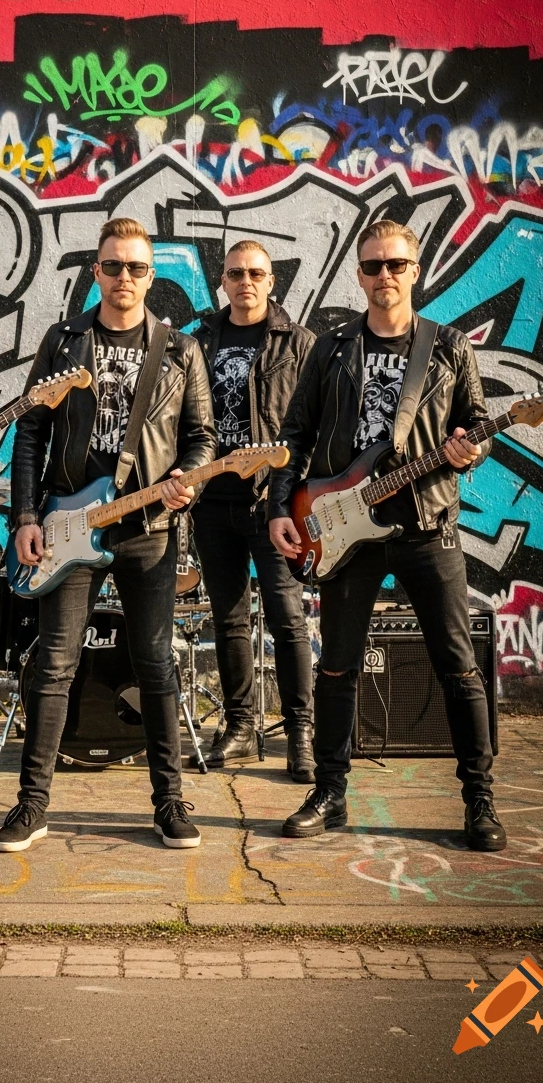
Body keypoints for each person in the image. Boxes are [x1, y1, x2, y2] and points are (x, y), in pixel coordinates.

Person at [268, 219, 506, 852]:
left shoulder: (448, 347)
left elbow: (477, 425)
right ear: (359, 273)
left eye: (395, 264)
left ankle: (479, 802)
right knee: (338, 667)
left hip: (427, 525)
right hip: (344, 528)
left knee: (458, 669)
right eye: (372, 266)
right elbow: (296, 431)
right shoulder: (333, 347)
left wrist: (466, 454)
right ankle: (330, 791)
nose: (384, 277)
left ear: (416, 267)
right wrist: (280, 508)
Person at [0, 217, 217, 852]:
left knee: (156, 665)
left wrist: (191, 478)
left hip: (149, 526)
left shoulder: (180, 349)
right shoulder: (62, 340)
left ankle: (168, 803)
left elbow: (201, 436)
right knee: (55, 664)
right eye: (114, 266)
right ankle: (31, 805)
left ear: (152, 276)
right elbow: (30, 432)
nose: (125, 277)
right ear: (96, 272)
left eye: (137, 267)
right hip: (68, 524)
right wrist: (25, 518)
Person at [192, 240, 316, 776]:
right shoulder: (198, 339)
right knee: (230, 619)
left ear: (272, 281)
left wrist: (289, 493)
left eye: (257, 273)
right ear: (223, 280)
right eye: (237, 273)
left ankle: (300, 733)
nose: (247, 282)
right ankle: (241, 726)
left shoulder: (300, 343)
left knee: (288, 621)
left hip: (274, 506)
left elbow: (311, 426)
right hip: (213, 501)